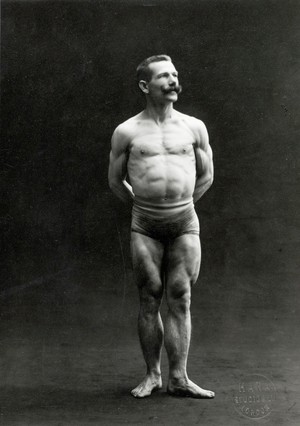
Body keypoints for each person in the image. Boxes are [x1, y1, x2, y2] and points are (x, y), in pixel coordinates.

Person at [108, 55, 214, 399]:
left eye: (175, 75)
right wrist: (146, 209)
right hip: (145, 225)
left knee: (180, 297)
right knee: (149, 295)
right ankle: (153, 375)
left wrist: (183, 206)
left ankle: (179, 378)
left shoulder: (193, 126)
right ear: (145, 86)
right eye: (164, 76)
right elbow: (115, 181)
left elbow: (206, 174)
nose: (173, 80)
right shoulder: (127, 131)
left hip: (185, 222)